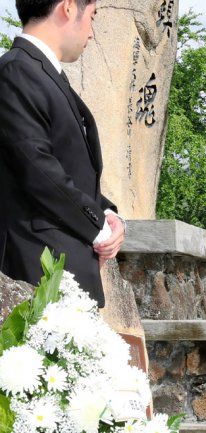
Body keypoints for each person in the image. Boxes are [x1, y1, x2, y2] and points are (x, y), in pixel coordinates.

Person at [0, 0, 125, 307]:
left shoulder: (42, 73)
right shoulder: (17, 71)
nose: (92, 33)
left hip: (60, 266)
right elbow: (36, 167)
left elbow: (66, 164)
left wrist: (107, 213)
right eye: (92, 17)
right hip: (35, 268)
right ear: (68, 7)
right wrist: (96, 226)